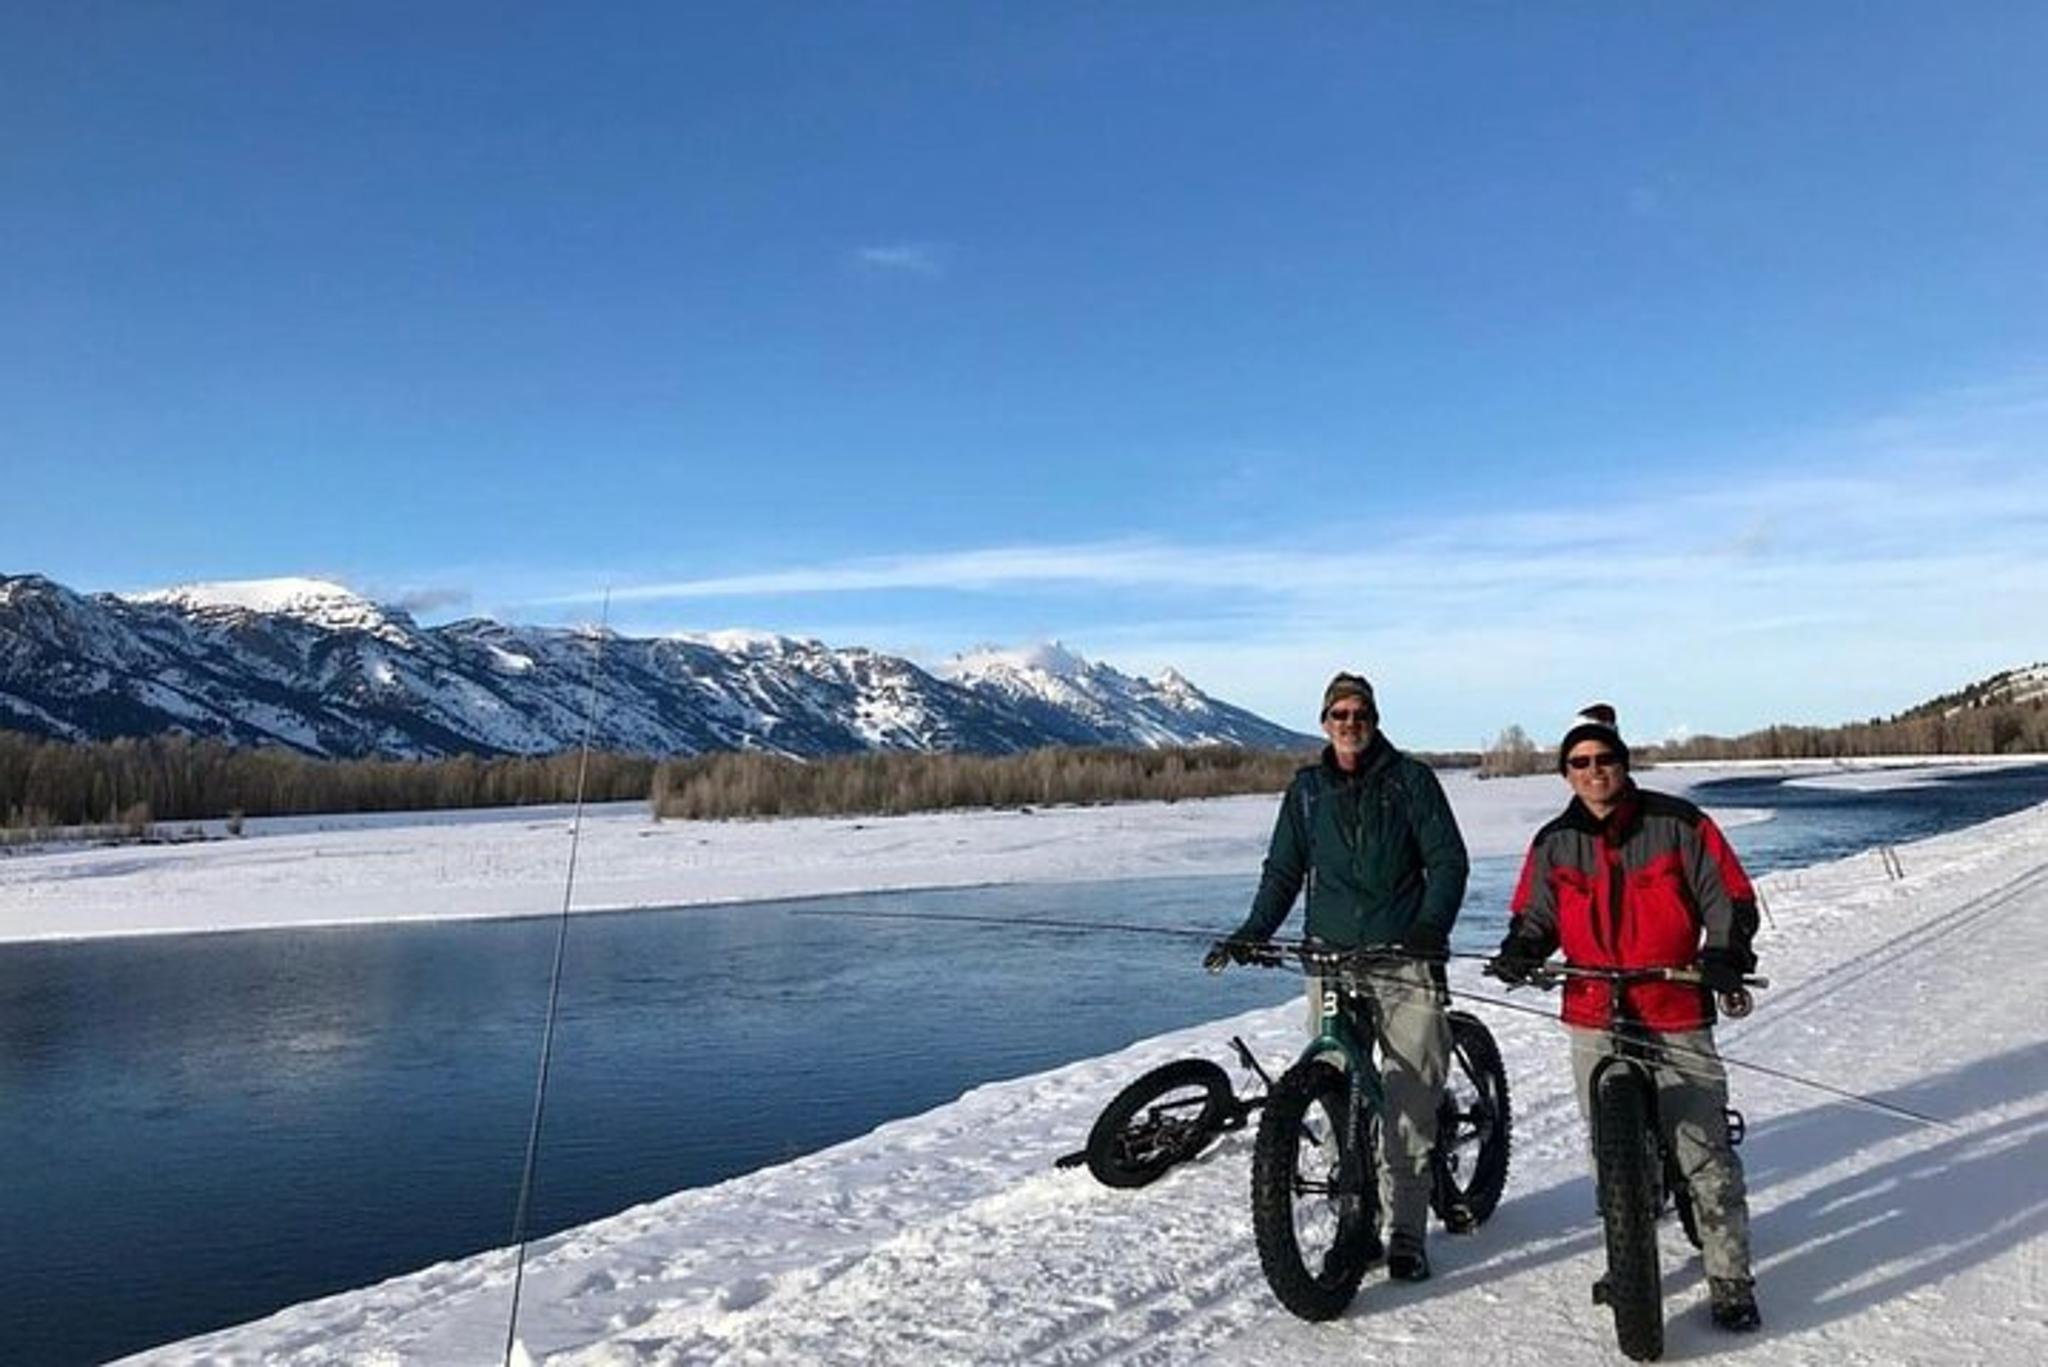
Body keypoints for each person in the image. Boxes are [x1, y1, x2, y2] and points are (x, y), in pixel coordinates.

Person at [1487, 704, 1763, 1332]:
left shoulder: (1680, 825)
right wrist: (1522, 950)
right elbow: (1536, 915)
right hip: (1592, 1007)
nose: (1593, 772)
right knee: (1609, 1155)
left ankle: (1729, 1278)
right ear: (1565, 773)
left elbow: (1731, 897)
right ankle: (1628, 1259)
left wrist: (1723, 954)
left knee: (1702, 1150)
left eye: (1604, 760)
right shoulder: (1554, 842)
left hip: (1672, 1005)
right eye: (1579, 763)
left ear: (1623, 763)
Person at [1206, 671, 1469, 1281]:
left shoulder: (1411, 781)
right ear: (1324, 722)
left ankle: (1405, 1232)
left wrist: (1431, 926)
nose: (1350, 725)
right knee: (1338, 1089)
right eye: (1339, 715)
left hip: (1403, 960)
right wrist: (1255, 929)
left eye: (1361, 715)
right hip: (1328, 961)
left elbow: (1448, 861)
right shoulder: (1305, 792)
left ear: (1375, 720)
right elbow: (1283, 872)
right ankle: (1357, 1213)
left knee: (1407, 1097)